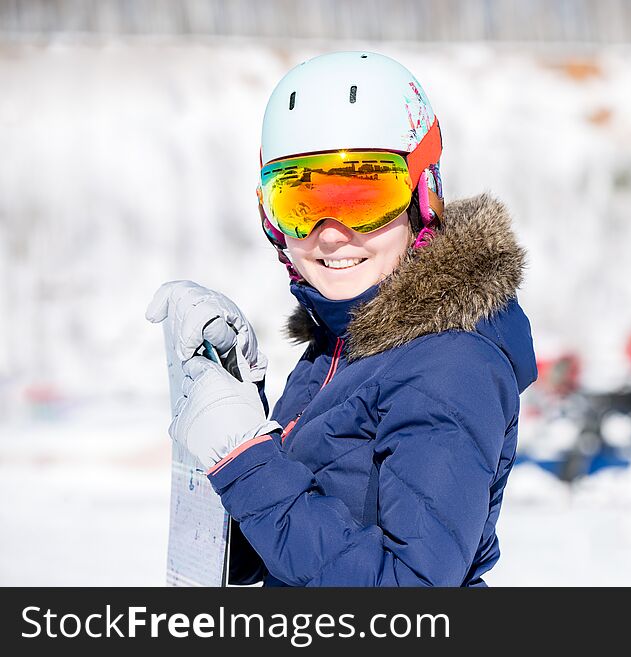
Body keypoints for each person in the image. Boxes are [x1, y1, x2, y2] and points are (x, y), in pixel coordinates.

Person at [146, 51, 537, 586]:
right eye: (300, 201)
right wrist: (235, 409)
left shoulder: (450, 364)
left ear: (423, 197)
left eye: (363, 196)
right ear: (269, 217)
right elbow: (256, 558)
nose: (329, 234)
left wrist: (245, 457)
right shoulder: (340, 348)